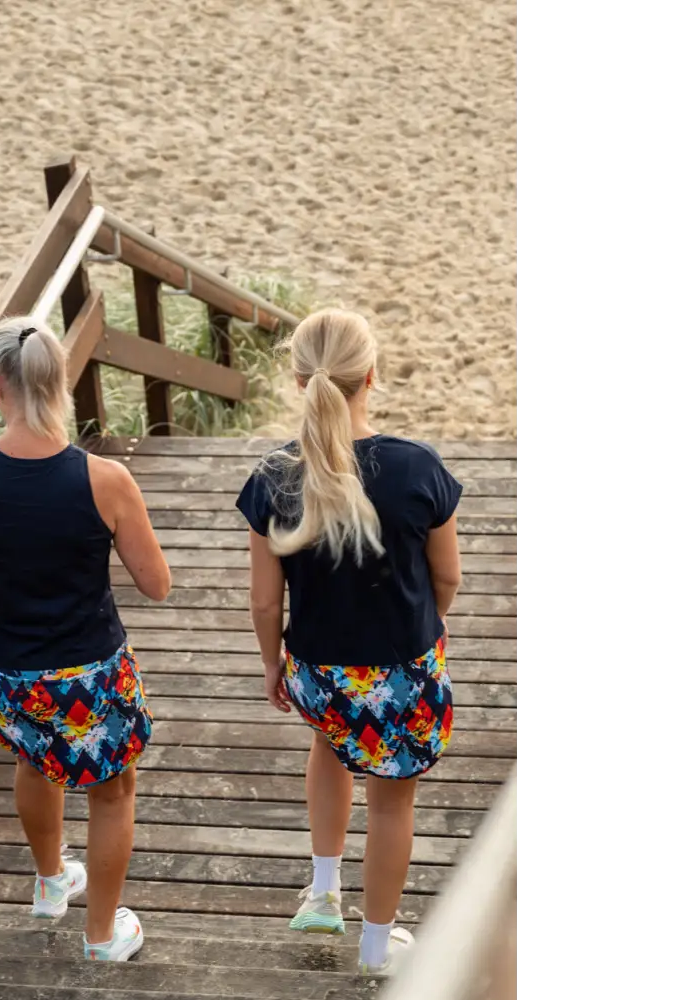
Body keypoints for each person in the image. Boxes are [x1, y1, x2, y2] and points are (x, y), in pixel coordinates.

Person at [0, 318, 171, 962]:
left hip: (8, 674)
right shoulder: (105, 480)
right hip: (88, 676)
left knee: (35, 761)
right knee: (111, 790)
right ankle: (101, 935)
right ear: (59, 381)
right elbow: (157, 584)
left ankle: (52, 883)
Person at [235, 308, 462, 977]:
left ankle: (325, 891)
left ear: (300, 380)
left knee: (330, 746)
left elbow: (262, 600)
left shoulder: (275, 476)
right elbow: (447, 575)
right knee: (393, 800)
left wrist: (273, 663)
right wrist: (428, 621)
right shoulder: (418, 468)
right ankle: (376, 943)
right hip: (401, 673)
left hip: (318, 674)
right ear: (372, 377)